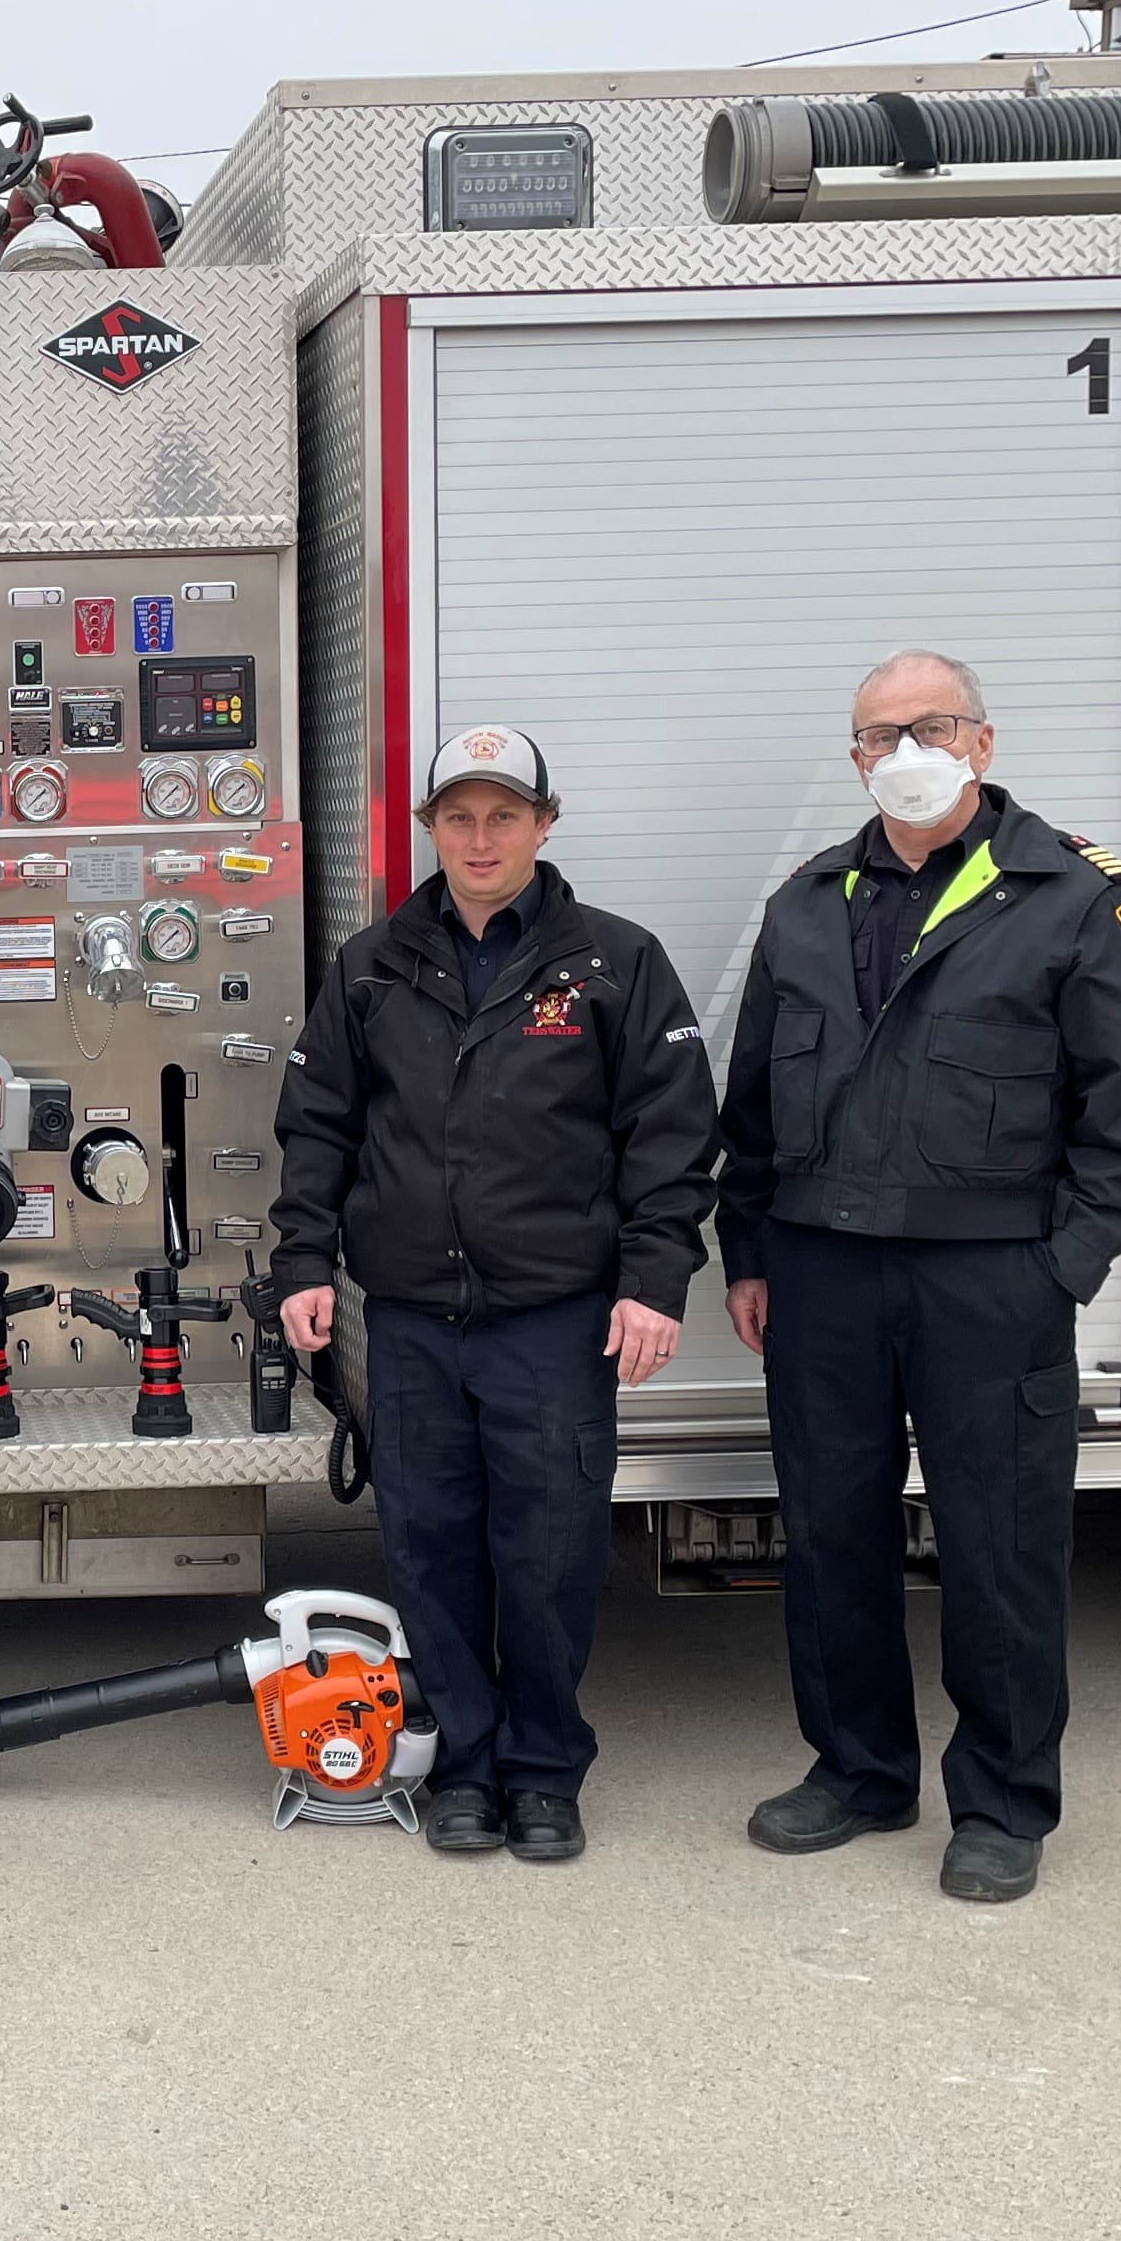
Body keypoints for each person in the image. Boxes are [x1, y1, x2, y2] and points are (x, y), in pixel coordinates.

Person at [718, 650, 1121, 1904]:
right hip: (823, 1274)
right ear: (859, 759)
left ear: (982, 742)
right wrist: (751, 1248)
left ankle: (1003, 1802)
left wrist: (1061, 1269)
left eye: (927, 727)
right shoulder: (808, 902)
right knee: (830, 1539)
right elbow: (753, 1098)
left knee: (1002, 1545)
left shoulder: (1077, 897)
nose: (903, 752)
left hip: (991, 1279)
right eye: (877, 736)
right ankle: (860, 1773)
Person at [271, 726, 717, 1865]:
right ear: (430, 828)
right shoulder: (371, 965)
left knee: (553, 1555)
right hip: (414, 1323)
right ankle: (465, 1768)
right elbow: (319, 1126)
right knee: (430, 1549)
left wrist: (654, 1280)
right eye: (459, 816)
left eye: (504, 815)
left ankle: (545, 1772)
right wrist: (303, 1264)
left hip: (555, 1324)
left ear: (545, 823)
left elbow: (669, 1138)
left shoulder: (615, 963)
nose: (481, 838)